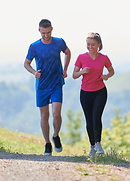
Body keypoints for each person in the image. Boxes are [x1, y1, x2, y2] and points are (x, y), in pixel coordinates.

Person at [24, 19, 71, 155]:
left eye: (48, 32)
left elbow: (68, 52)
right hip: (42, 85)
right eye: (43, 33)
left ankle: (55, 136)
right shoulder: (34, 46)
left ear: (52, 29)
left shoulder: (59, 42)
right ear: (39, 30)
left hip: (56, 82)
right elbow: (26, 63)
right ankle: (47, 143)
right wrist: (34, 72)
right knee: (44, 116)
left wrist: (65, 69)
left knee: (56, 114)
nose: (46, 35)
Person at [72, 32, 115, 157]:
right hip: (85, 93)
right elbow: (74, 75)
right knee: (89, 120)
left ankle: (98, 143)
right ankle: (92, 146)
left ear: (98, 45)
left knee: (96, 118)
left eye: (93, 45)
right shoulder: (81, 57)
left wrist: (106, 76)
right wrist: (82, 72)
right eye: (88, 44)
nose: (90, 47)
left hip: (100, 91)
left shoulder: (104, 58)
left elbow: (112, 71)